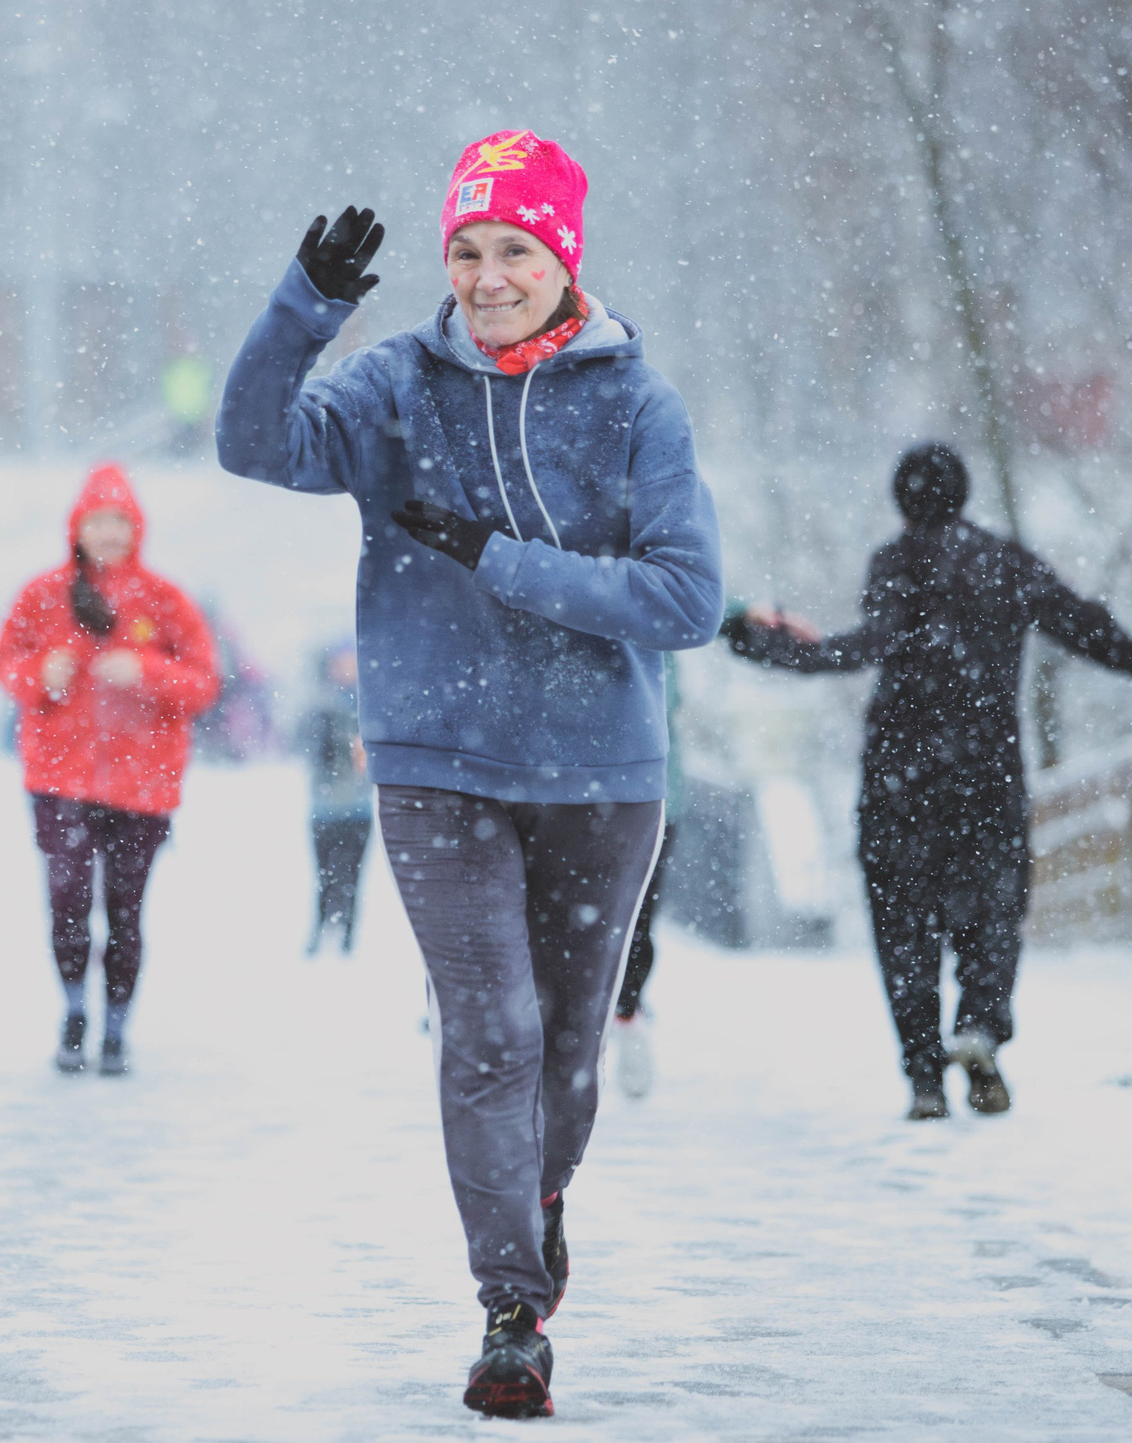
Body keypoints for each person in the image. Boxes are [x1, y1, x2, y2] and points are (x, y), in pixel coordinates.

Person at [218, 131, 723, 1419]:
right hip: (434, 759)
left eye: (513, 251)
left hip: (602, 775)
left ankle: (539, 1202)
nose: (486, 276)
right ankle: (510, 1309)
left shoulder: (633, 404)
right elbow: (253, 442)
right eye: (464, 251)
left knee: (563, 1046)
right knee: (488, 1030)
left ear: (563, 259)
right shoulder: (393, 384)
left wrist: (498, 558)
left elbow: (684, 599)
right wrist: (305, 306)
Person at [723, 442, 1132, 1122]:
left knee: (903, 931)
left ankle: (925, 1077)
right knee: (993, 913)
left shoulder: (895, 563)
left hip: (900, 780)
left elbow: (856, 648)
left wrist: (758, 641)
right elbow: (1086, 627)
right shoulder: (1006, 563)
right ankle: (980, 1025)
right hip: (985, 775)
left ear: (903, 499)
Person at [0, 463, 220, 1077]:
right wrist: (40, 675)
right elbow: (8, 662)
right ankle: (73, 1009)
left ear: (137, 528)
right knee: (67, 900)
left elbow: (204, 683)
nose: (110, 533)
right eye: (98, 521)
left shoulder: (164, 600)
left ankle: (116, 1025)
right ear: (77, 528)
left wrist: (146, 673)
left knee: (125, 909)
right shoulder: (43, 595)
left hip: (142, 784)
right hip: (59, 779)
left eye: (121, 521)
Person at [606, 654, 682, 1099]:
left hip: (654, 794)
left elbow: (703, 600)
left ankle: (626, 1013)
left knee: (637, 918)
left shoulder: (659, 612)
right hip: (583, 791)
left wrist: (744, 612)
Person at [298, 639, 373, 956]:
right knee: (324, 872)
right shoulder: (319, 705)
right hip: (325, 807)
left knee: (353, 874)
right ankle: (321, 927)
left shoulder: (369, 705)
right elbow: (308, 749)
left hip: (357, 806)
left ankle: (348, 934)